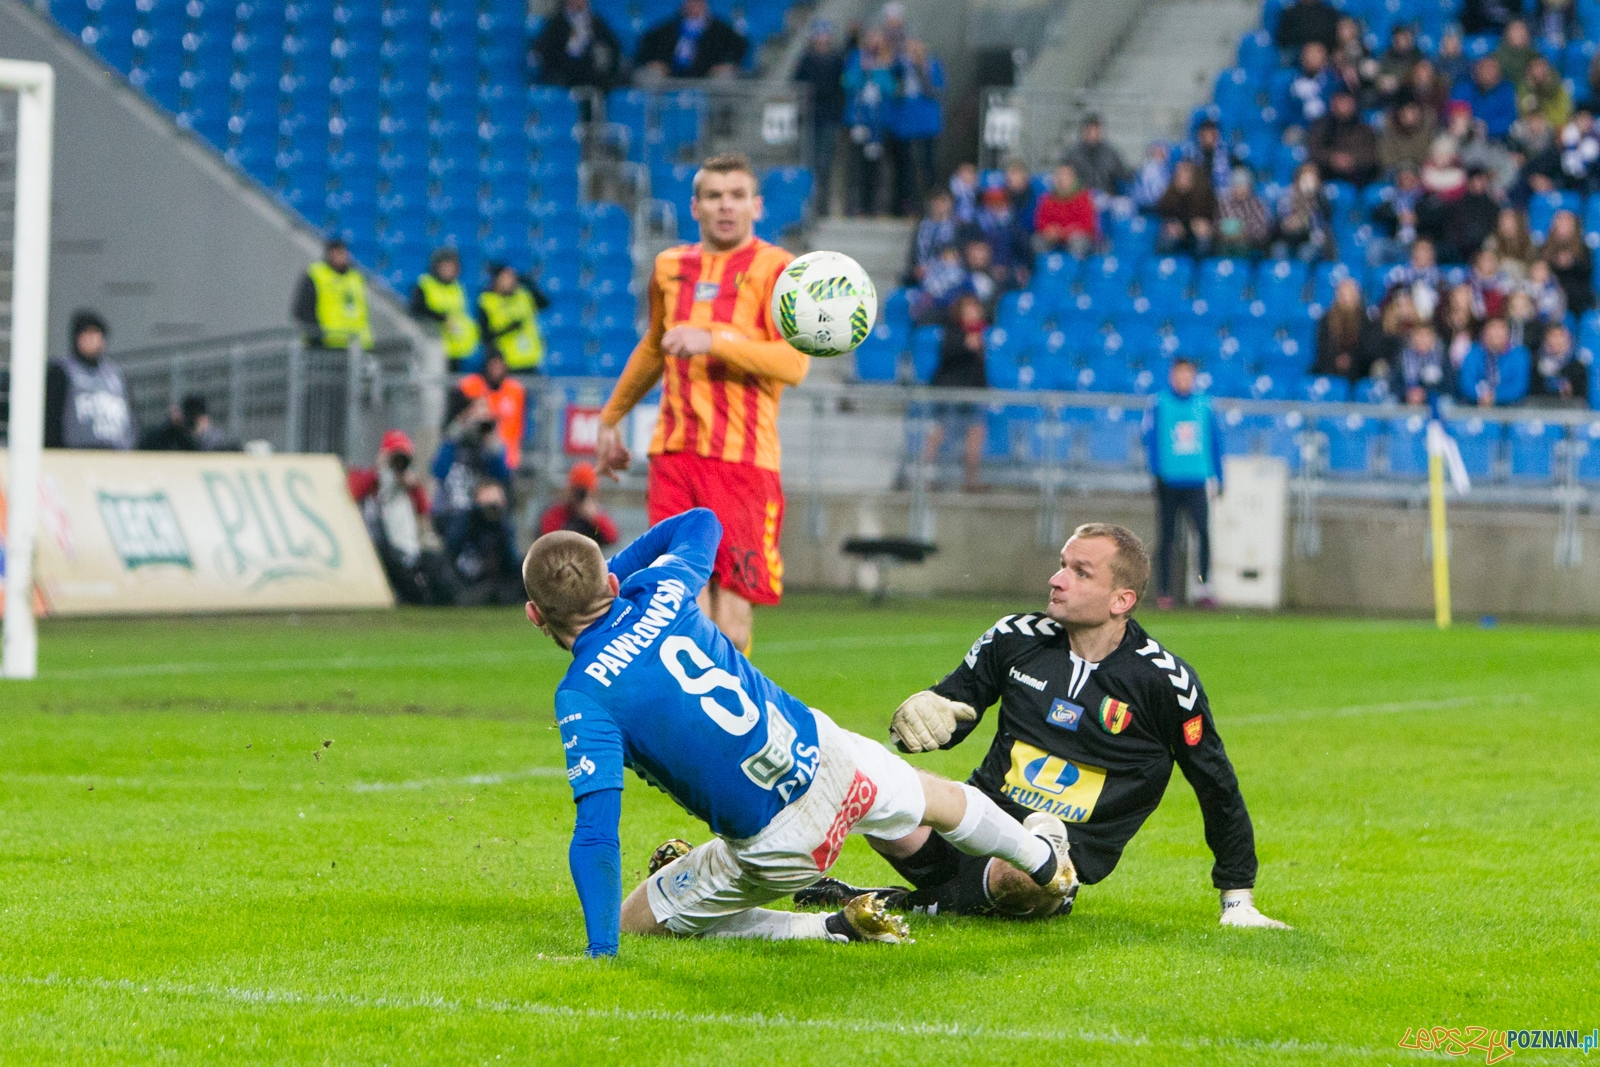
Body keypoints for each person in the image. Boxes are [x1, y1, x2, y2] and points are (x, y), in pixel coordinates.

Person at [526, 508, 1077, 955]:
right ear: (612, 582)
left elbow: (596, 834)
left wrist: (600, 950)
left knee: (637, 920)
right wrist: (606, 579)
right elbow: (701, 522)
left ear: (535, 615)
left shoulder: (583, 695)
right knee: (939, 799)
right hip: (830, 757)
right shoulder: (661, 588)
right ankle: (1045, 862)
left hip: (782, 845)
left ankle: (830, 928)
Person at [798, 523, 1287, 929]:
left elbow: (1215, 784)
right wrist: (924, 713)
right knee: (874, 785)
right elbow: (949, 713)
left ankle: (904, 900)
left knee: (1025, 878)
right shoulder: (1014, 638)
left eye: (1080, 572)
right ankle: (921, 898)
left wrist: (1237, 899)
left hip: (1048, 861)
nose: (1056, 580)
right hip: (969, 824)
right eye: (1061, 564)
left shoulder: (1164, 682)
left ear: (1120, 600)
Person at [592, 154, 805, 654]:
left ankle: (731, 703)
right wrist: (610, 418)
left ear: (757, 206)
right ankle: (691, 705)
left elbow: (794, 363)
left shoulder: (777, 269)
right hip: (675, 457)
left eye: (736, 196)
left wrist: (714, 340)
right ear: (695, 207)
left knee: (731, 622)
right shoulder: (670, 267)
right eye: (713, 196)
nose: (725, 206)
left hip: (743, 463)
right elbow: (654, 347)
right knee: (678, 608)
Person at [1144, 358, 1221, 611]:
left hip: (1197, 478)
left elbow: (1214, 440)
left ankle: (1203, 587)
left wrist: (1218, 475)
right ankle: (1164, 590)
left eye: (1188, 374)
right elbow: (1151, 439)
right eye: (1179, 374)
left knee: (1203, 533)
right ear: (1171, 376)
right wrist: (1155, 472)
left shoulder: (1205, 404)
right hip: (1169, 479)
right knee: (1167, 537)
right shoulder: (1159, 403)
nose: (1183, 379)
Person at [348, 429, 457, 606]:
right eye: (395, 458)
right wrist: (380, 472)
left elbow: (424, 510)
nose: (398, 464)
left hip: (409, 548)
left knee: (437, 562)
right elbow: (354, 490)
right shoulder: (372, 480)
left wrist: (414, 486)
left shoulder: (409, 486)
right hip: (382, 547)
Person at [920, 293, 988, 492]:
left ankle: (971, 480)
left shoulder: (981, 333)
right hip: (949, 392)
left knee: (976, 432)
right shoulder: (953, 330)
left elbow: (978, 368)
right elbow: (947, 356)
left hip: (971, 394)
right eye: (969, 308)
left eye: (975, 308)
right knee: (938, 432)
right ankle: (927, 477)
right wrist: (966, 344)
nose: (973, 312)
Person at [44, 310, 135, 451]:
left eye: (96, 334)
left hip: (116, 454)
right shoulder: (62, 372)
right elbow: (52, 418)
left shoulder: (116, 376)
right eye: (86, 334)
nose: (91, 340)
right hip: (76, 454)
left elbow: (131, 419)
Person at [885, 38, 944, 217]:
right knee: (905, 167)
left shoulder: (932, 65)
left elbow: (937, 88)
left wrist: (921, 68)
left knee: (927, 165)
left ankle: (931, 205)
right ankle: (906, 205)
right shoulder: (901, 66)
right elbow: (891, 81)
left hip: (926, 124)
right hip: (905, 125)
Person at [793, 22, 847, 217]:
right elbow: (797, 85)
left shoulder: (837, 60)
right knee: (810, 162)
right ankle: (810, 205)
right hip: (812, 117)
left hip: (829, 116)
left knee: (825, 163)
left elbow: (842, 88)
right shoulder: (806, 59)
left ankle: (822, 205)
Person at [843, 30, 895, 217]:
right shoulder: (856, 58)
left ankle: (873, 206)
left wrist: (876, 71)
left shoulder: (886, 60)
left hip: (878, 124)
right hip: (858, 120)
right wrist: (862, 71)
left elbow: (890, 88)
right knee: (856, 165)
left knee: (875, 166)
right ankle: (855, 206)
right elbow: (847, 82)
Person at [291, 238, 372, 352]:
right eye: (337, 253)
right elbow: (303, 309)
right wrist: (317, 337)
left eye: (343, 253)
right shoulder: (317, 275)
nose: (342, 257)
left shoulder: (356, 278)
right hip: (326, 347)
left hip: (356, 346)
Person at [635, 0, 746, 79]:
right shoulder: (668, 27)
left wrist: (727, 64)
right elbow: (646, 43)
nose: (693, 5)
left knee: (724, 78)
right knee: (650, 76)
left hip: (706, 75)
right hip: (669, 75)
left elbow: (740, 46)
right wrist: (653, 62)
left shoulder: (720, 29)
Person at [410, 248, 481, 372]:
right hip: (433, 345)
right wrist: (442, 318)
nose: (448, 270)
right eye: (445, 267)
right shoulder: (425, 284)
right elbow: (417, 310)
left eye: (451, 267)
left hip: (456, 347)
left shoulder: (457, 287)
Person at [457, 349, 528, 470]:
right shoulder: (474, 385)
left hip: (505, 450)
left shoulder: (515, 390)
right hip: (477, 445)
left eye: (499, 365)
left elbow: (518, 424)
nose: (496, 370)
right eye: (493, 365)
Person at [531, 0, 624, 91]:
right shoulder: (556, 24)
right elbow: (547, 54)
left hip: (593, 80)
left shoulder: (596, 23)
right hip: (564, 80)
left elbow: (613, 48)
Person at [476, 263, 550, 374]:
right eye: (504, 278)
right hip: (505, 364)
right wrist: (509, 329)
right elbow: (485, 336)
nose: (508, 282)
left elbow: (545, 303)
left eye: (511, 278)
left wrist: (528, 282)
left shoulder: (523, 295)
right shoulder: (487, 301)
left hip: (531, 360)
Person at [1308, 90, 1380, 186]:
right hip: (1326, 175)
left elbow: (1371, 154)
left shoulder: (1365, 130)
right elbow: (1314, 150)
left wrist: (1352, 160)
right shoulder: (1321, 127)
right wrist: (1332, 158)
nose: (1345, 106)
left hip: (1358, 178)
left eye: (1348, 102)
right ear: (1333, 104)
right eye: (1341, 102)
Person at [1314, 279, 1381, 381]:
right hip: (1331, 366)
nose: (1346, 300)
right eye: (1343, 295)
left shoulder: (1366, 320)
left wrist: (1350, 358)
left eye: (1350, 295)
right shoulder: (1326, 320)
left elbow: (1368, 347)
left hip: (1359, 368)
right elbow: (1323, 346)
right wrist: (1337, 359)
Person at [539, 462, 620, 546]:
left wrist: (594, 518)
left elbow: (612, 538)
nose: (579, 495)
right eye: (576, 490)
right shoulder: (557, 512)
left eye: (584, 491)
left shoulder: (598, 515)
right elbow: (548, 540)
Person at [1458, 316, 1531, 406]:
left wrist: (1495, 397)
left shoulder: (1520, 354)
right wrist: (1481, 396)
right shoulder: (1473, 352)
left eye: (1501, 328)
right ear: (1484, 332)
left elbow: (1519, 386)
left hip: (1511, 407)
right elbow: (1466, 383)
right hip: (1476, 405)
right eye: (1492, 327)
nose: (1497, 333)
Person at [1154, 160, 1217, 258]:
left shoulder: (1205, 195)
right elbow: (1165, 214)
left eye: (1186, 174)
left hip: (1196, 234)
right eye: (1179, 175)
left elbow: (1206, 220)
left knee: (1203, 242)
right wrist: (1173, 225)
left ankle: (1200, 266)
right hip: (1177, 234)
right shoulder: (1169, 195)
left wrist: (1202, 226)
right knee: (1166, 240)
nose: (1182, 178)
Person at [1032, 163, 1099, 253]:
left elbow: (1087, 224)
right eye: (1059, 175)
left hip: (1076, 237)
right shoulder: (1047, 199)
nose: (1062, 178)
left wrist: (1065, 232)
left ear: (1073, 179)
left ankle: (1075, 262)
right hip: (1055, 238)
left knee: (1077, 243)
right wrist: (1048, 229)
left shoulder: (1083, 197)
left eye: (1066, 175)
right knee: (1037, 240)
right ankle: (1044, 262)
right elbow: (1040, 221)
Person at [1539, 209, 1593, 314]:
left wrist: (1572, 263)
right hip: (1550, 297)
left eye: (1567, 222)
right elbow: (1540, 271)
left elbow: (1587, 272)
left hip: (1577, 299)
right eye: (1560, 222)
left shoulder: (1583, 249)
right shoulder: (1544, 248)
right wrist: (1556, 263)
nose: (1563, 225)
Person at [138, 392, 234, 451]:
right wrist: (172, 426)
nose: (192, 422)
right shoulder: (171, 435)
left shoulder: (215, 439)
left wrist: (198, 436)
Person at [1276, 161, 1332, 261]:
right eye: (1305, 178)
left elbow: (1323, 222)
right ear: (1297, 180)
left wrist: (1313, 199)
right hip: (1288, 239)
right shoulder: (1287, 196)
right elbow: (1287, 224)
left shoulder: (1322, 197)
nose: (1308, 182)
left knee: (1309, 250)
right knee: (1280, 250)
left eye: (1312, 178)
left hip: (1310, 240)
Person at [1453, 57, 1518, 141]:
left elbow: (1510, 116)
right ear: (1476, 71)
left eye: (1493, 69)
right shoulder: (1463, 89)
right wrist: (1474, 126)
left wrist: (1488, 127)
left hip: (1499, 137)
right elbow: (1457, 112)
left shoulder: (1506, 90)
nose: (1490, 73)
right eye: (1486, 68)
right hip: (1468, 136)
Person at [1390, 324, 1456, 405]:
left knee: (1447, 402)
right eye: (1418, 335)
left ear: (1433, 338)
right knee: (1390, 401)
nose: (1421, 340)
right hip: (1406, 398)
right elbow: (1394, 383)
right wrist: (1407, 393)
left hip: (1435, 398)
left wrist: (1425, 393)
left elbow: (1449, 385)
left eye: (1426, 336)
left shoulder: (1441, 357)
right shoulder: (1402, 357)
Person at [1063, 114, 1129, 195]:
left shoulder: (1111, 153)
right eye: (1090, 129)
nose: (1093, 133)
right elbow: (1064, 179)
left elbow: (1124, 174)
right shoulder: (1072, 154)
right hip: (1081, 197)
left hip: (1106, 196)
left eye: (1096, 129)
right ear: (1083, 131)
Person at [1215, 167, 1273, 257]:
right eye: (1237, 185)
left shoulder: (1258, 204)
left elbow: (1262, 230)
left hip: (1250, 243)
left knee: (1242, 246)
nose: (1240, 188)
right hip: (1226, 242)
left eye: (1243, 185)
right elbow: (1217, 225)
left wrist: (1243, 233)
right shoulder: (1224, 204)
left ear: (1250, 186)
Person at [905, 189, 957, 284]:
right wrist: (916, 269)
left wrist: (931, 268)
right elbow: (914, 254)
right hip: (919, 274)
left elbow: (952, 255)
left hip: (944, 275)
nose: (939, 205)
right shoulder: (922, 226)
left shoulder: (956, 227)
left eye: (943, 201)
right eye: (936, 201)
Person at [1528, 322, 1586, 403]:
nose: (1557, 340)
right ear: (1545, 340)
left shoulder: (1578, 367)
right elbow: (1533, 394)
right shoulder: (1536, 364)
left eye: (1561, 336)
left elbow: (1581, 399)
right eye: (1553, 336)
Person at [1378, 97, 1436, 175]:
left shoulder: (1429, 130)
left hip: (1422, 172)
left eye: (1413, 110)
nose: (1411, 115)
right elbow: (1387, 158)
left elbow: (1431, 155)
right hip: (1396, 173)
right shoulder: (1389, 131)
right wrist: (1404, 169)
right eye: (1406, 111)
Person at [1519, 56, 1572, 131]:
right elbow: (1524, 110)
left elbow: (1565, 112)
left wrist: (1550, 124)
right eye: (1535, 67)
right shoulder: (1525, 89)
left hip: (1555, 127)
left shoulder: (1558, 88)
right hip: (1532, 128)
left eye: (1541, 67)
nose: (1539, 71)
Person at [1182, 119, 1235, 192]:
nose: (1208, 137)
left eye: (1211, 133)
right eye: (1205, 134)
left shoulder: (1228, 153)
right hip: (1197, 193)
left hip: (1221, 193)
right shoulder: (1191, 155)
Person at [1273, 0, 1339, 52]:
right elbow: (1283, 43)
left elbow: (1335, 42)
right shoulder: (1289, 14)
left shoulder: (1331, 14)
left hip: (1326, 58)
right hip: (1297, 59)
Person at [1493, 19, 1537, 86]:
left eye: (1522, 30)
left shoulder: (1535, 56)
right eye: (1516, 30)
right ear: (1507, 34)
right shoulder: (1496, 57)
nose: (1520, 34)